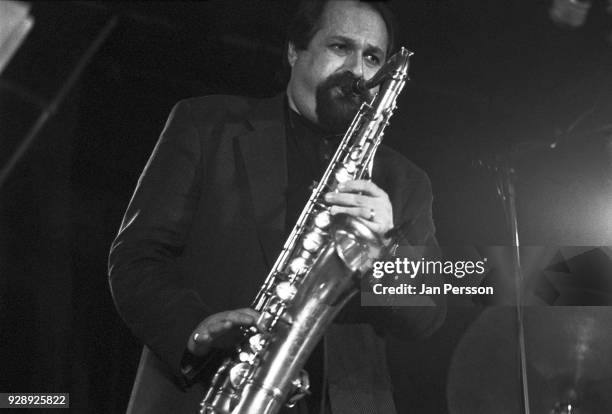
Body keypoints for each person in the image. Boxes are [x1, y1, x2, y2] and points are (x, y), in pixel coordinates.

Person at [108, 1, 445, 413]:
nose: (358, 70)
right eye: (341, 47)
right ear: (294, 51)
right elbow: (136, 259)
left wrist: (386, 252)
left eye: (372, 57)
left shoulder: (404, 181)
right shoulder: (205, 124)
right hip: (212, 391)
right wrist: (194, 333)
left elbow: (429, 316)